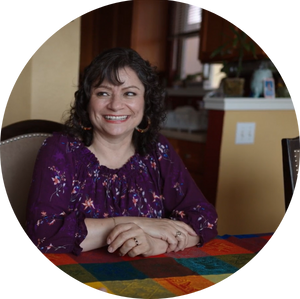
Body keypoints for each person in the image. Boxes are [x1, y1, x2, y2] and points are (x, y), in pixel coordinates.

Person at [26, 47, 218, 257]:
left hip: (151, 277)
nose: (116, 105)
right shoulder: (60, 150)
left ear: (146, 102)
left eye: (129, 93)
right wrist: (139, 224)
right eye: (103, 93)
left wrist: (156, 244)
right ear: (87, 101)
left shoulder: (157, 150)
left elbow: (204, 219)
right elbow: (41, 235)